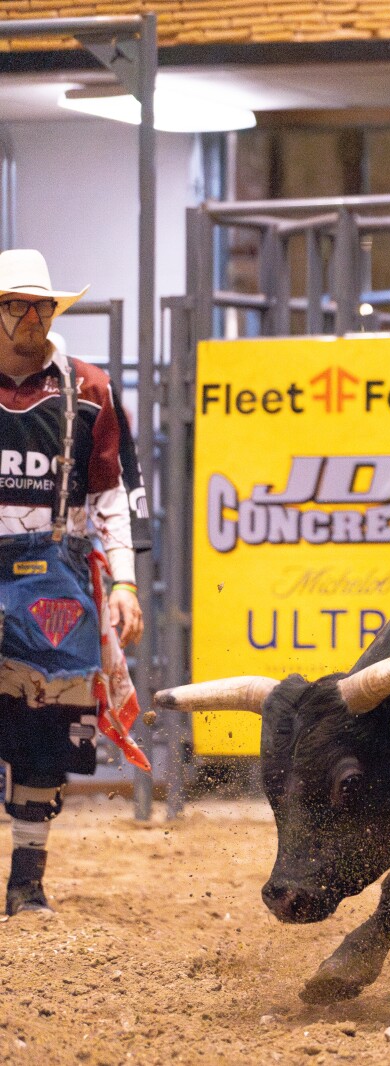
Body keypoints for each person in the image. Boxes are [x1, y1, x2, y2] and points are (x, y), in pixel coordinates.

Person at [0, 249, 147, 915]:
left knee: (49, 719)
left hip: (54, 573)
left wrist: (124, 584)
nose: (31, 318)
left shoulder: (89, 390)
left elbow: (113, 495)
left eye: (42, 305)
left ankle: (27, 882)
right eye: (15, 305)